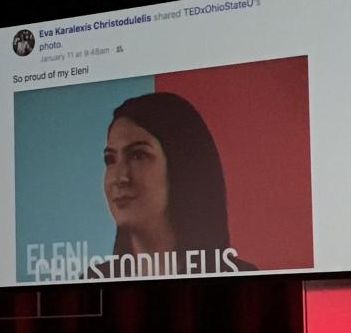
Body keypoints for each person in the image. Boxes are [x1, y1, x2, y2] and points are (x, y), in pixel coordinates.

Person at [89, 92, 255, 278]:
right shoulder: (93, 281)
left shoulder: (242, 277)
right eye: (110, 159)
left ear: (181, 166)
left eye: (137, 155)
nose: (119, 177)